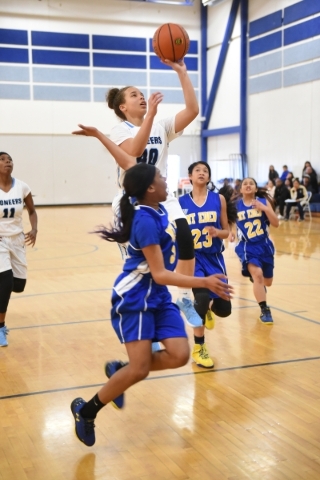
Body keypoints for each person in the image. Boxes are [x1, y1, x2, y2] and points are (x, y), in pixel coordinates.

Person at [70, 163, 234, 447]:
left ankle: (123, 368)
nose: (165, 179)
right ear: (149, 188)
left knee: (180, 355)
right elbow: (159, 273)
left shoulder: (159, 210)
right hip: (134, 298)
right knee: (140, 370)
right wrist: (204, 282)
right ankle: (86, 411)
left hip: (157, 296)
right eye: (160, 177)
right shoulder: (144, 219)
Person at [73, 58, 202, 328]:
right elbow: (132, 151)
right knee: (143, 263)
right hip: (132, 199)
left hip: (162, 196)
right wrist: (152, 115)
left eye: (143, 95)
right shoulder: (121, 129)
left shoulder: (162, 125)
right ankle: (136, 313)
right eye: (135, 95)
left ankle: (185, 298)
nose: (142, 98)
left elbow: (192, 109)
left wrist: (182, 73)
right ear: (123, 106)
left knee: (185, 236)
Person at [178, 161, 237, 368]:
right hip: (193, 259)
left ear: (209, 178)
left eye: (205, 171)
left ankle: (211, 307)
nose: (202, 173)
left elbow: (226, 231)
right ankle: (199, 347)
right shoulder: (180, 202)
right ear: (190, 176)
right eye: (197, 170)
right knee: (200, 299)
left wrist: (217, 233)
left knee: (225, 310)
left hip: (214, 259)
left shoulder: (218, 199)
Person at [0, 152, 38, 347]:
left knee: (18, 285)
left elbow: (32, 211)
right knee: (5, 282)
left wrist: (34, 228)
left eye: (10, 159)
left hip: (17, 240)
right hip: (0, 241)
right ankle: (0, 327)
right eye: (3, 159)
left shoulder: (22, 187)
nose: (8, 162)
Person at [231, 177, 279, 324]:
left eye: (251, 183)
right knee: (258, 274)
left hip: (264, 245)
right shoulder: (235, 206)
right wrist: (230, 232)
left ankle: (258, 281)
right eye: (245, 183)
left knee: (267, 282)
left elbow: (276, 223)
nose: (248, 185)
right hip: (246, 246)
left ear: (256, 189)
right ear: (240, 189)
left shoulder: (263, 202)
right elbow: (229, 221)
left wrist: (264, 209)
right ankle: (264, 309)